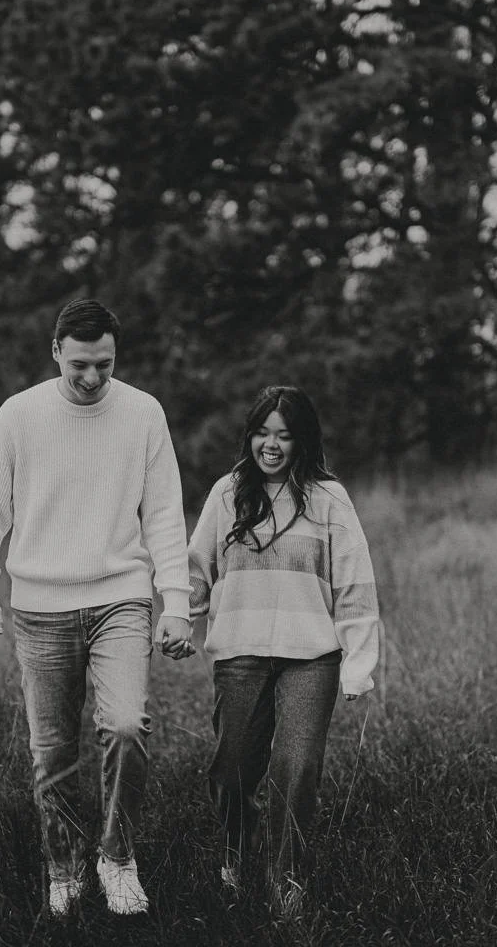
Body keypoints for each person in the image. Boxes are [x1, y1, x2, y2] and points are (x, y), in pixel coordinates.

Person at [0, 298, 196, 918]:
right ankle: (63, 866)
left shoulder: (144, 413)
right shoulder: (20, 415)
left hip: (121, 596)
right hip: (40, 607)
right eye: (80, 367)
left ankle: (117, 857)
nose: (93, 379)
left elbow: (165, 512)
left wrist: (177, 602)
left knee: (125, 725)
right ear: (57, 353)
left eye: (105, 366)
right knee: (53, 749)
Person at [167, 385, 381, 919]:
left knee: (296, 766)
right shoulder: (227, 493)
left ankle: (287, 879)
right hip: (239, 654)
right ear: (250, 436)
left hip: (311, 658)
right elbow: (198, 570)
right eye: (263, 432)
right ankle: (239, 854)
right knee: (232, 772)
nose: (271, 445)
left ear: (301, 440)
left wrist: (359, 663)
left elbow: (356, 585)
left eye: (284, 435)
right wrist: (180, 618)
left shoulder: (330, 499)